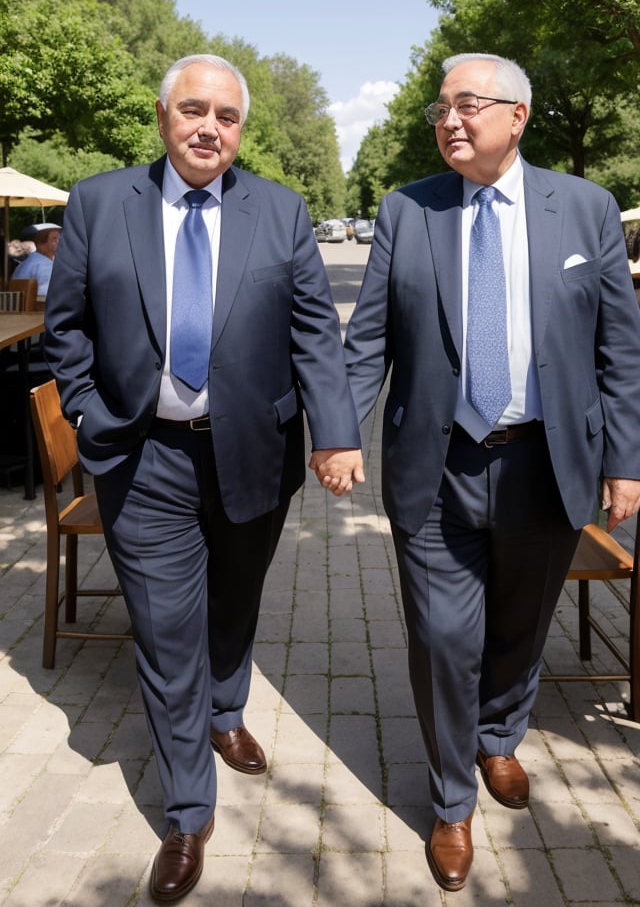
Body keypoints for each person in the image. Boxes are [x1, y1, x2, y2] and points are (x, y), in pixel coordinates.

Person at [44, 53, 364, 903]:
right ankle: (188, 812)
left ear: (240, 130)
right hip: (140, 457)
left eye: (225, 117)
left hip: (252, 455)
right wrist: (85, 412)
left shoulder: (282, 211)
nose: (208, 129)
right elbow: (66, 325)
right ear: (161, 115)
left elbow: (312, 338)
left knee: (235, 601)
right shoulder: (100, 202)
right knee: (165, 632)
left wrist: (335, 435)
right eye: (194, 111)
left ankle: (227, 711)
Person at [339, 52, 640, 892]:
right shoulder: (407, 209)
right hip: (435, 467)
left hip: (546, 465)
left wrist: (627, 461)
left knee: (520, 623)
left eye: (467, 105)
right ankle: (450, 797)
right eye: (441, 108)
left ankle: (500, 734)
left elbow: (621, 350)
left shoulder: (585, 209)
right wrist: (337, 431)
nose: (449, 121)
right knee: (442, 640)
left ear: (518, 115)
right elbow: (368, 340)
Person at [12, 223, 60, 296]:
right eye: (54, 238)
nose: (58, 242)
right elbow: (47, 298)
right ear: (41, 242)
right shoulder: (45, 266)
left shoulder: (23, 264)